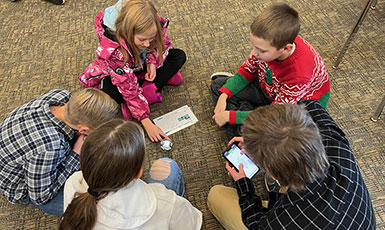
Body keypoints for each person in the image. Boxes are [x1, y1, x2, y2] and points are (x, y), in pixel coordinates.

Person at [207, 101, 376, 230]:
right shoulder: (337, 144)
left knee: (216, 194)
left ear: (273, 174)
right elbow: (310, 103)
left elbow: (256, 222)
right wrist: (261, 139)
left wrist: (243, 183)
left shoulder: (282, 221)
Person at [211, 3, 330, 140]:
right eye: (253, 46)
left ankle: (247, 113)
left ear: (286, 48)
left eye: (261, 50)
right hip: (270, 90)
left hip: (295, 108)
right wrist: (224, 96)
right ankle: (250, 113)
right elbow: (247, 70)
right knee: (218, 87)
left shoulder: (299, 74)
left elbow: (277, 113)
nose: (254, 53)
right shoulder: (271, 44)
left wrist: (231, 116)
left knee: (272, 139)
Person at [59, 119, 202, 230]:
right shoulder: (165, 202)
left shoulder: (73, 183)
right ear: (138, 173)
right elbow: (193, 224)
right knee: (166, 165)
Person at [78, 0, 186, 142]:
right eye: (142, 39)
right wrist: (145, 121)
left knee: (179, 56)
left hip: (140, 65)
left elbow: (162, 45)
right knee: (110, 92)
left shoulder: (152, 23)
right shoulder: (114, 52)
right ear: (127, 33)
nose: (147, 43)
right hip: (121, 73)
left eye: (151, 38)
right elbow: (126, 85)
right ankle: (149, 90)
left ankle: (144, 90)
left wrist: (152, 62)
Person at [0, 88, 120, 216]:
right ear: (83, 129)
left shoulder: (61, 95)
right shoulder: (50, 146)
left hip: (33, 152)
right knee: (96, 210)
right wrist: (75, 155)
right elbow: (40, 197)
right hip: (24, 186)